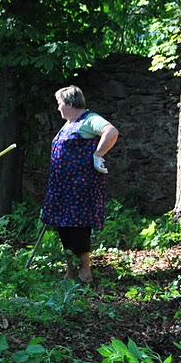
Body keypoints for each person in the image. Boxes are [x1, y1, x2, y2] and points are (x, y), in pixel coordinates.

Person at [42, 85, 119, 284]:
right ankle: (70, 271)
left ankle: (85, 271)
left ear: (69, 103)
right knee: (63, 226)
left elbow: (111, 131)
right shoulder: (69, 123)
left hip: (79, 187)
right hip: (62, 188)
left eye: (60, 103)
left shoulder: (89, 120)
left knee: (78, 227)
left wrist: (98, 154)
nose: (58, 108)